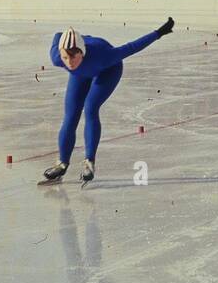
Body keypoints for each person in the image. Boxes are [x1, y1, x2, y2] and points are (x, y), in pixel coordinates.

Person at [44, 19, 176, 185]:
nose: (69, 63)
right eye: (65, 58)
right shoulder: (57, 57)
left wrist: (158, 33)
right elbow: (58, 36)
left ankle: (89, 162)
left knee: (91, 108)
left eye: (73, 58)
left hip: (109, 70)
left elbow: (131, 47)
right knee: (71, 114)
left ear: (82, 53)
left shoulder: (104, 56)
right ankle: (62, 163)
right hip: (83, 72)